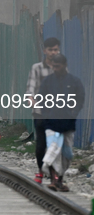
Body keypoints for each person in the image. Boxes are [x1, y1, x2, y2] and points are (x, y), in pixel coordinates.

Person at [39, 54, 85, 192]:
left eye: (57, 66)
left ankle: (60, 179)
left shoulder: (74, 81)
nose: (55, 69)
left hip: (67, 124)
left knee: (66, 154)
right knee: (53, 150)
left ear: (65, 65)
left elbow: (80, 98)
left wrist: (73, 112)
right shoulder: (48, 81)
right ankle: (54, 180)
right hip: (52, 123)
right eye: (53, 66)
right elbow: (42, 98)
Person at [25, 37, 60, 184]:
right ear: (45, 51)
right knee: (41, 145)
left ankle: (54, 173)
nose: (53, 52)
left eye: (56, 50)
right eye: (51, 50)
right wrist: (34, 104)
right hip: (40, 112)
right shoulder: (36, 68)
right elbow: (29, 91)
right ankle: (40, 170)